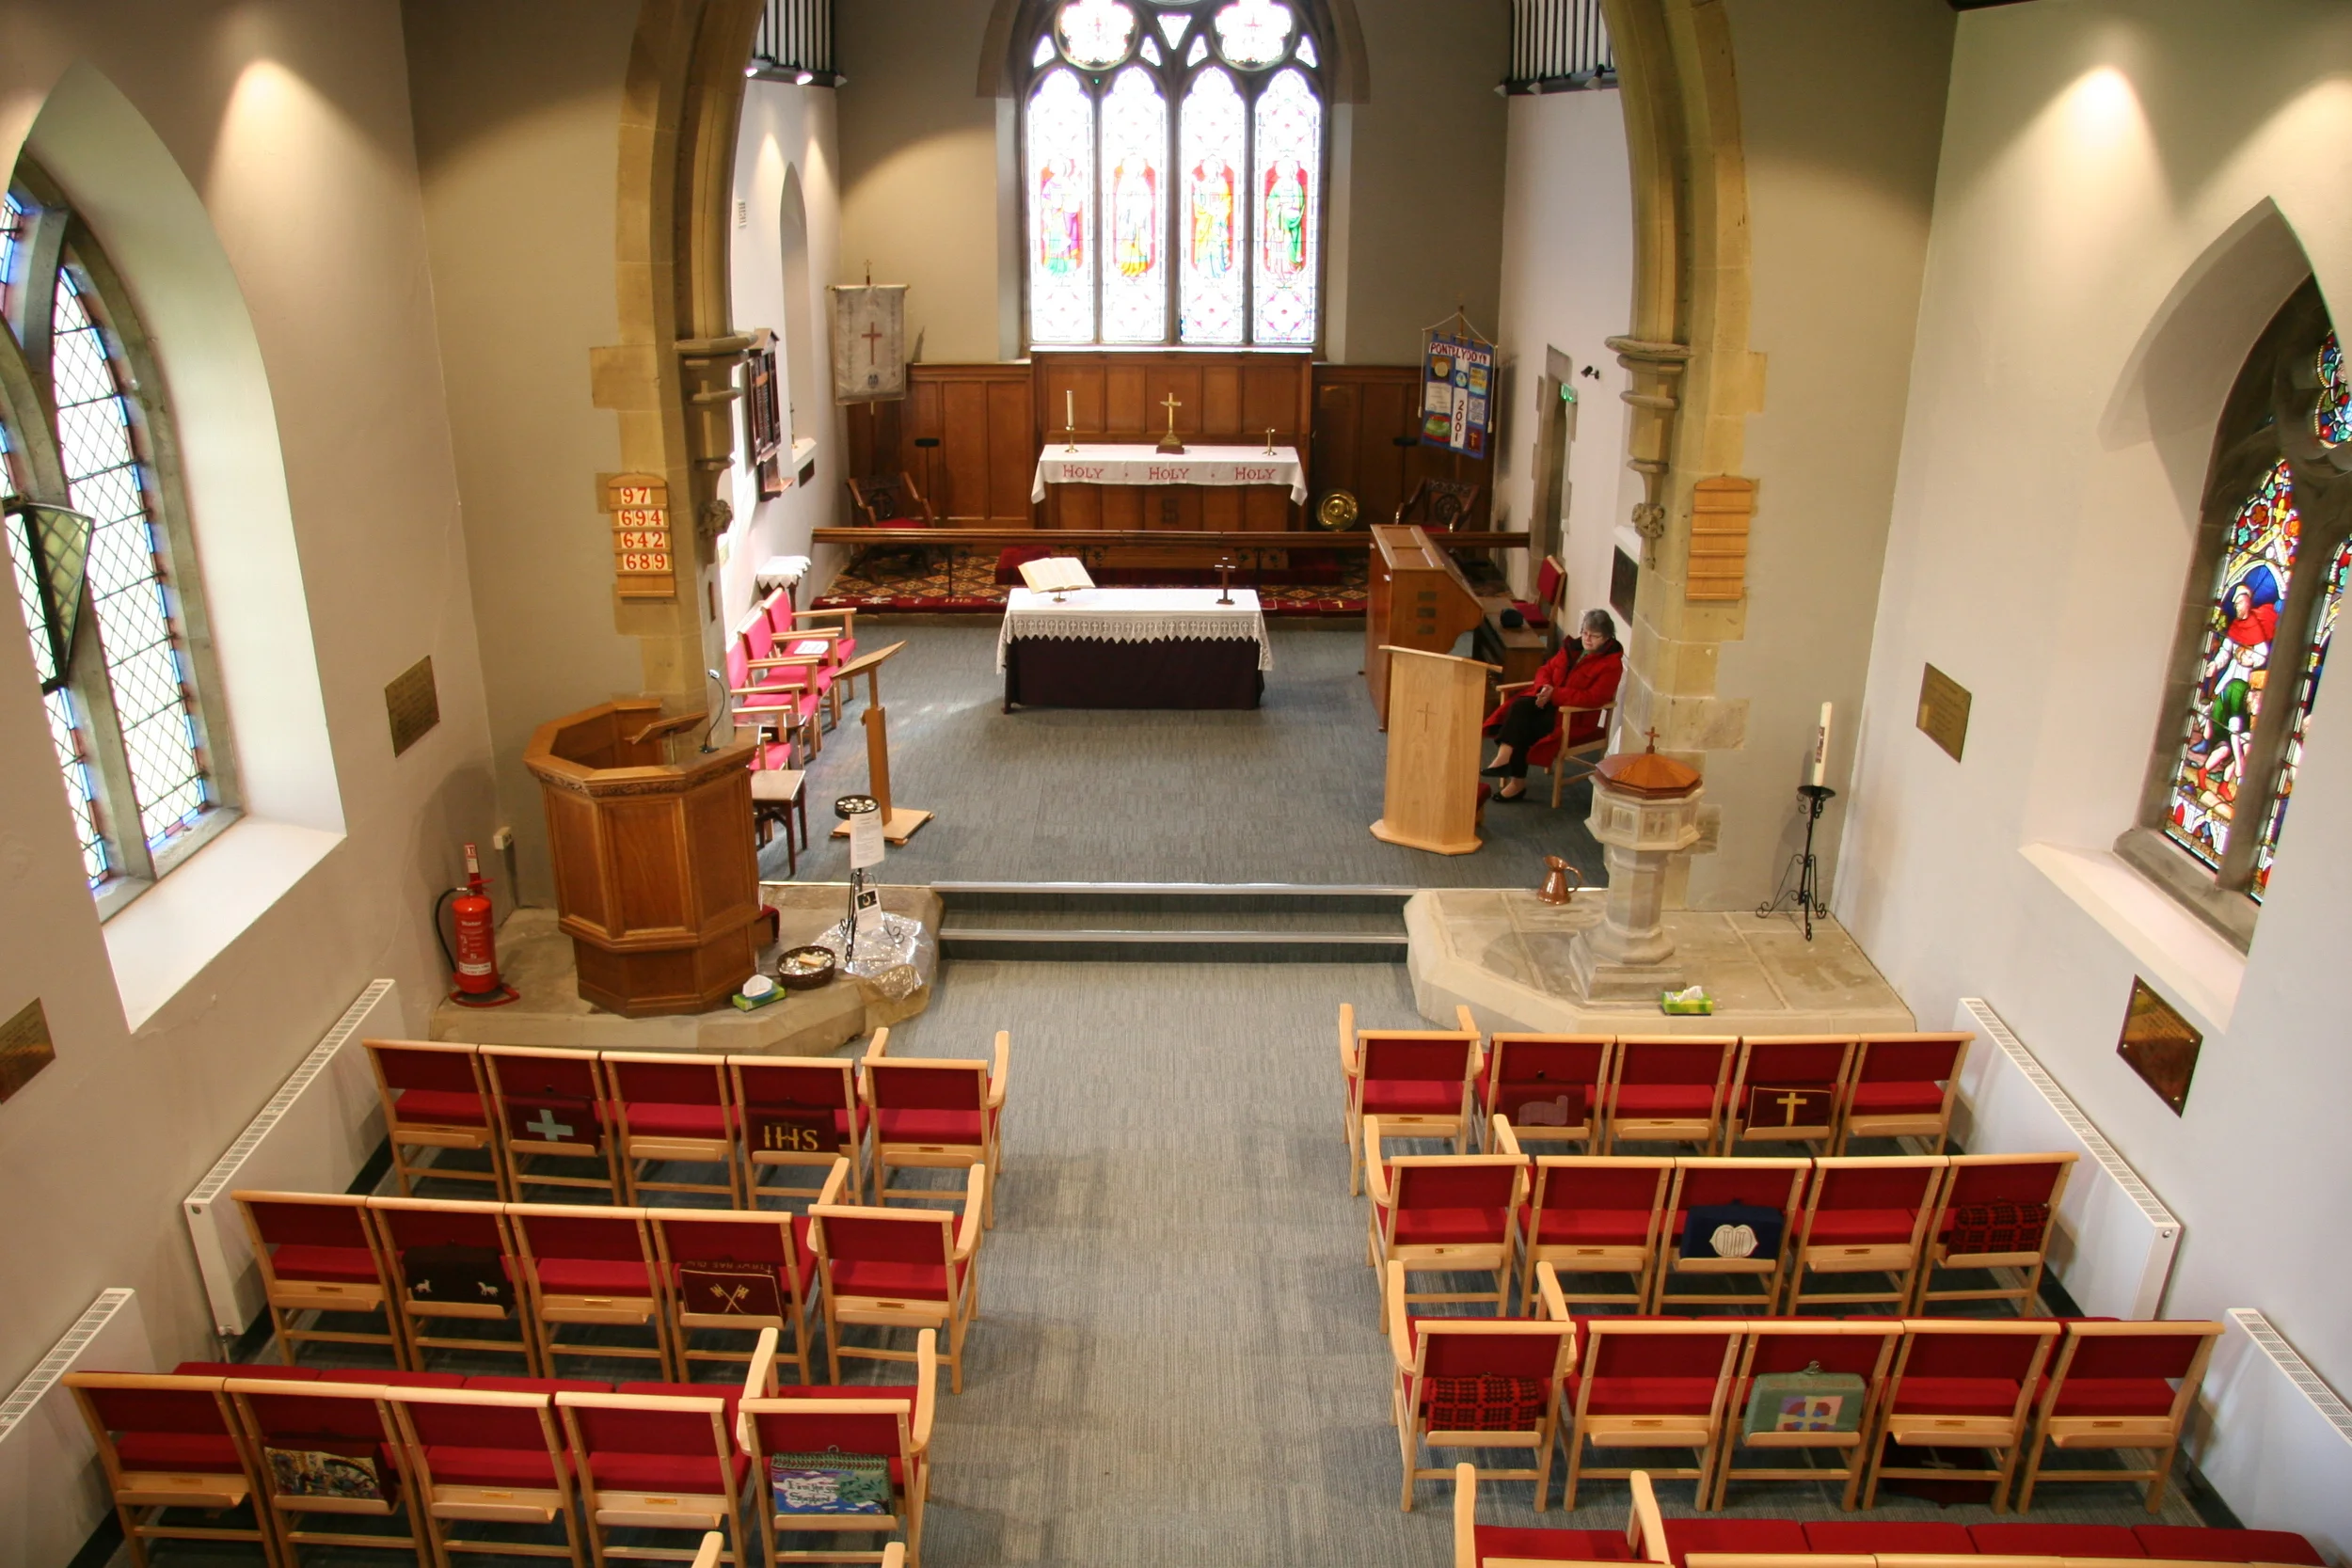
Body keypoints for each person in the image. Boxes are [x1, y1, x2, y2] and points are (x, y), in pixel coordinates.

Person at [1480, 608, 1624, 800]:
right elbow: (1545, 669)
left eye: (1594, 636)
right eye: (1585, 633)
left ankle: (1516, 781)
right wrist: (1543, 688)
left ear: (1607, 638)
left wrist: (1555, 694)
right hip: (1548, 701)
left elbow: (1594, 698)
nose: (1587, 639)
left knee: (1525, 725)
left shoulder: (1611, 664)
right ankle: (1504, 758)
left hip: (1572, 716)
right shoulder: (1571, 648)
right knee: (1519, 708)